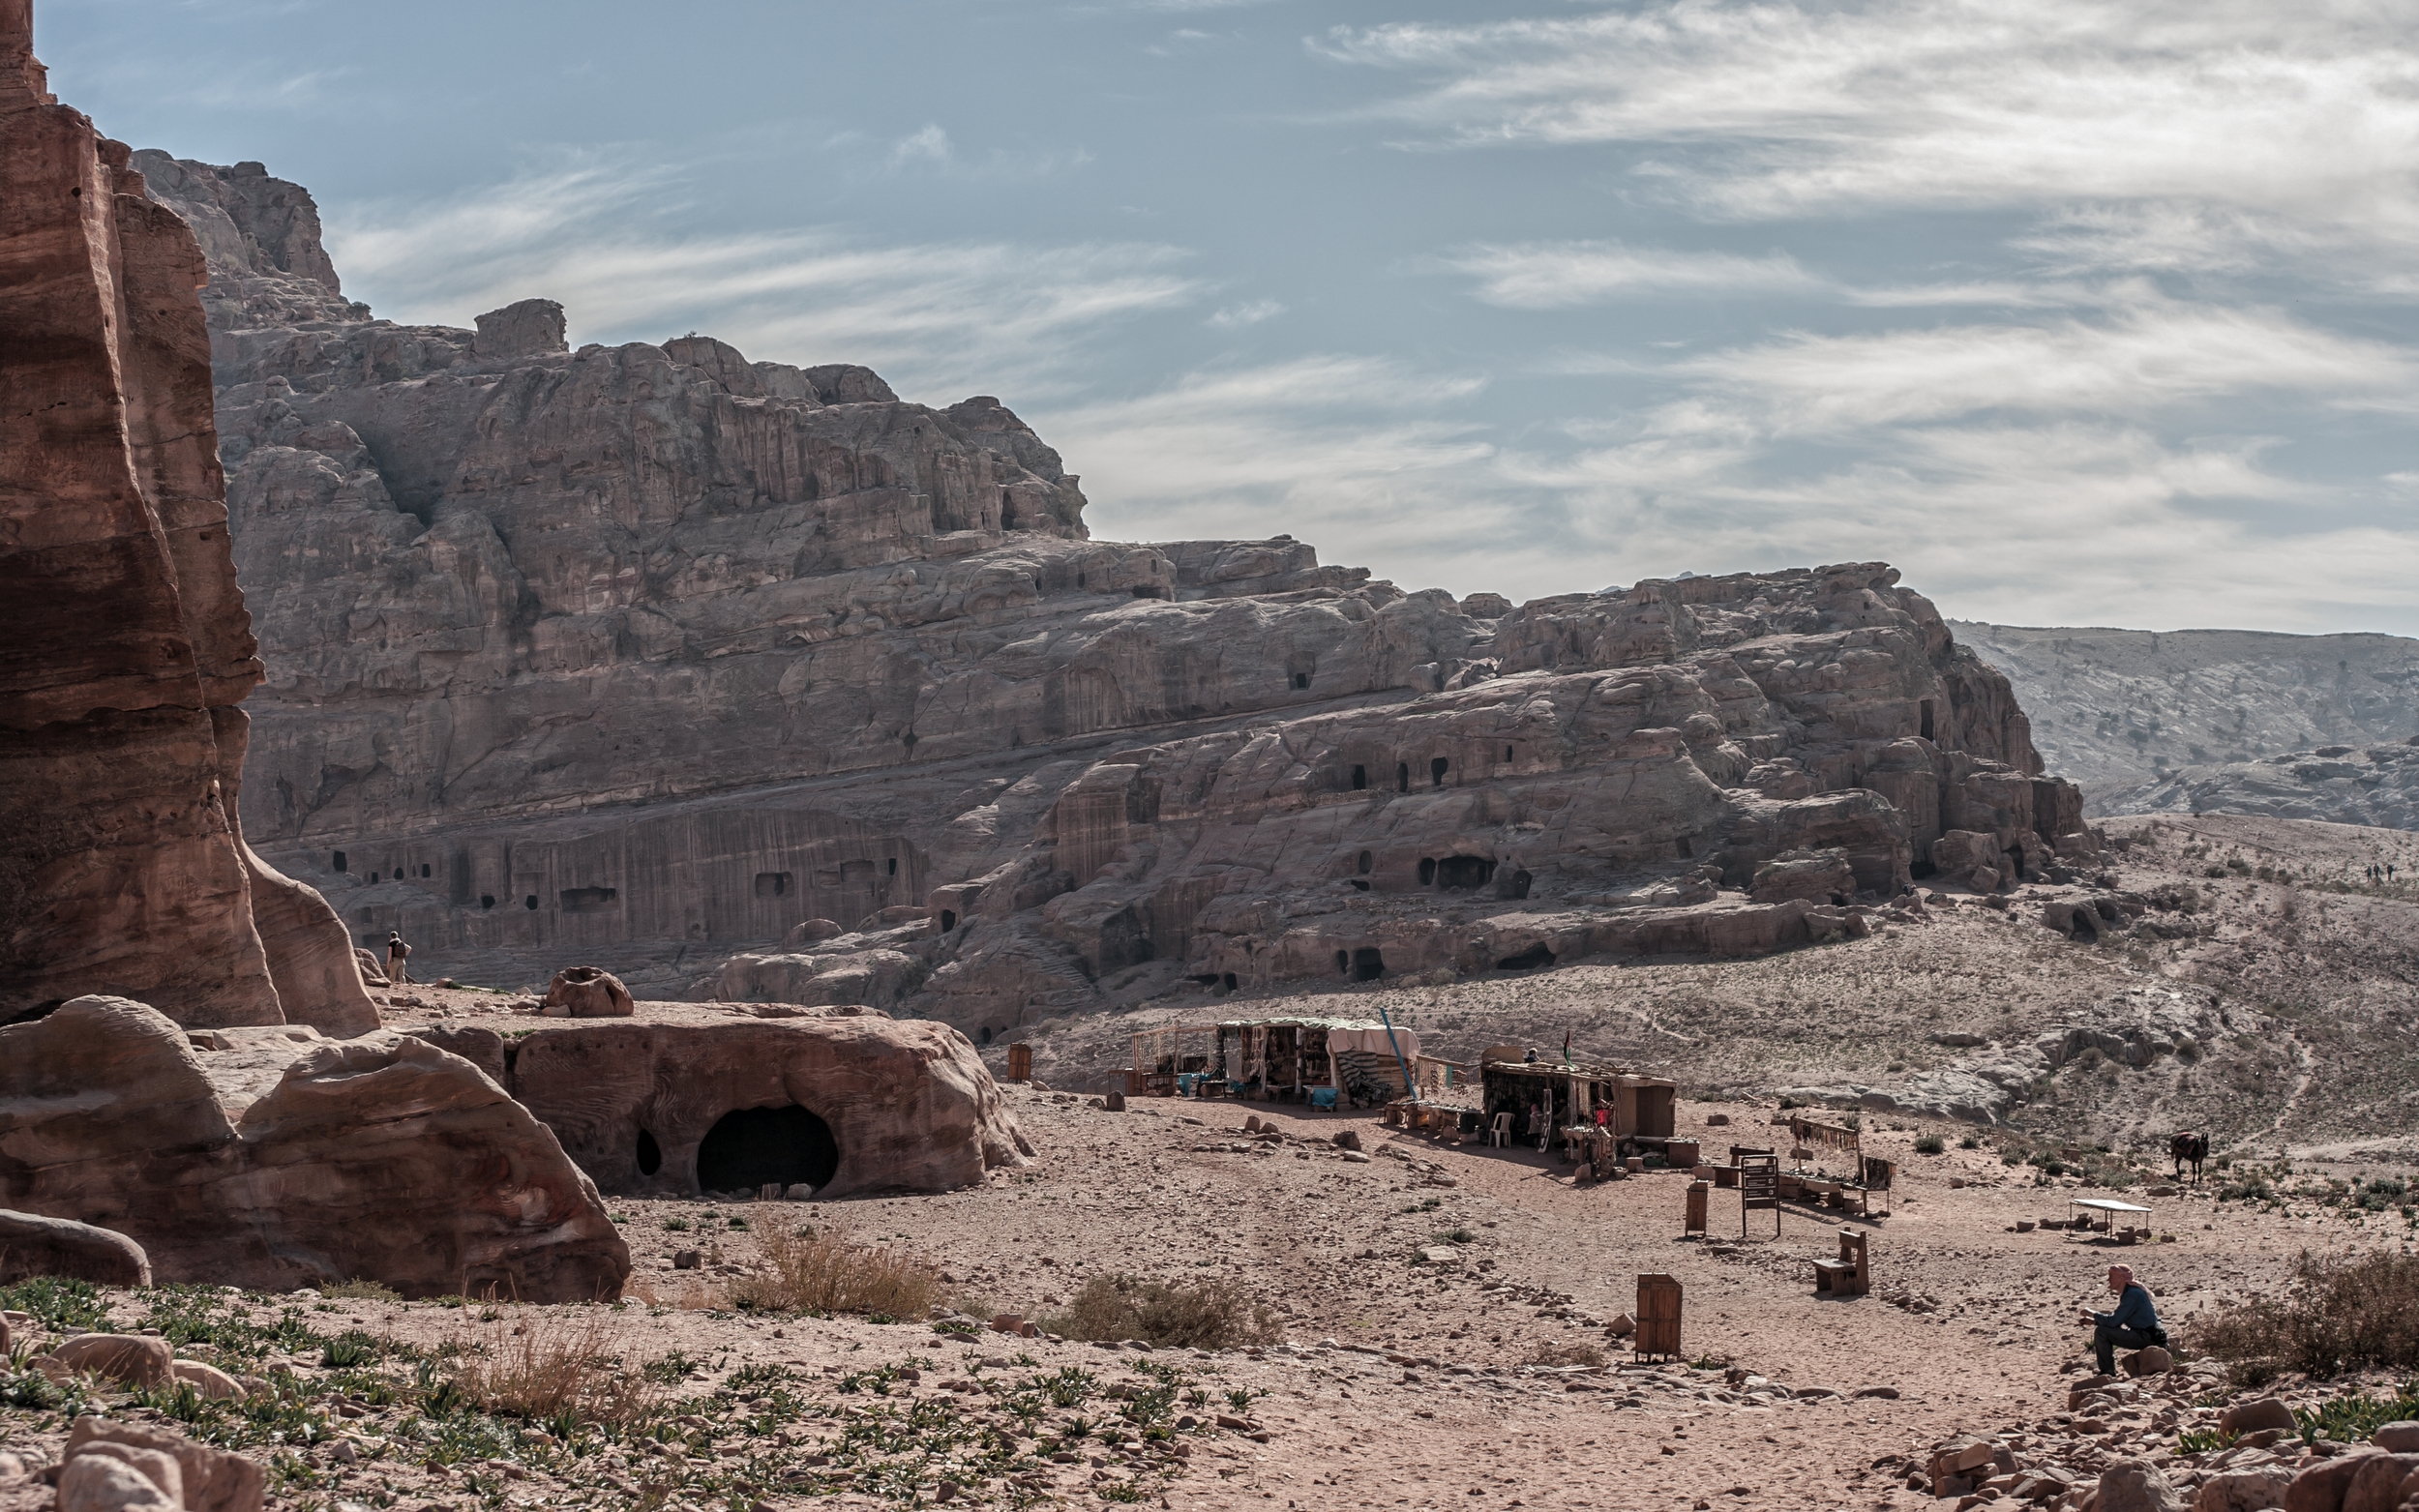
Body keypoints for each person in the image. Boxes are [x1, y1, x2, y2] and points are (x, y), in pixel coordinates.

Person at [2080, 1264, 2165, 1375]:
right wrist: (2095, 1322)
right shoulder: (2131, 1292)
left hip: (2147, 1336)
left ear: (2121, 1278)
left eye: (2111, 1276)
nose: (2108, 1279)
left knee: (2101, 1332)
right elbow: (2116, 1321)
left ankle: (2107, 1371)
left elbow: (2114, 1321)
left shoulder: (2132, 1295)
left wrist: (2093, 1314)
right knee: (2103, 1329)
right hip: (2150, 1335)